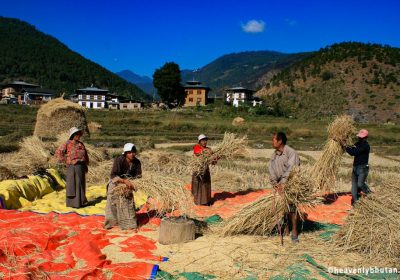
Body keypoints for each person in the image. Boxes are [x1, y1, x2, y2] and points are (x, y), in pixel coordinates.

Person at [268, 132, 300, 242]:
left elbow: (292, 169)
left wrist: (284, 183)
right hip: (278, 185)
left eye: (274, 139)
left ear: (280, 141)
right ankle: (286, 229)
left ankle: (294, 231)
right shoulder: (274, 154)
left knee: (292, 207)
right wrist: (275, 183)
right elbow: (271, 169)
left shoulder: (291, 153)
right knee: (282, 208)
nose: (272, 141)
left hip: (290, 184)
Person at [104, 143, 142, 230]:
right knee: (112, 203)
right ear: (125, 153)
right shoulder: (119, 160)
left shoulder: (137, 162)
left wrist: (133, 184)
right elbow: (113, 175)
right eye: (129, 152)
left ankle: (128, 224)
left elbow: (138, 176)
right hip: (116, 183)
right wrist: (124, 181)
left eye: (133, 152)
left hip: (128, 185)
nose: (131, 154)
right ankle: (111, 223)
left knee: (127, 204)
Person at [56, 127, 89, 208]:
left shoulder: (80, 144)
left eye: (79, 134)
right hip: (72, 167)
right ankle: (73, 203)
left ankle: (81, 202)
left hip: (81, 166)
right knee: (74, 184)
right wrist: (67, 160)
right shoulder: (67, 143)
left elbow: (86, 155)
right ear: (73, 135)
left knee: (81, 183)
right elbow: (58, 152)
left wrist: (86, 165)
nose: (78, 136)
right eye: (76, 134)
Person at [343, 129, 370, 205]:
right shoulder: (357, 143)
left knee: (360, 184)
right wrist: (345, 142)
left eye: (362, 137)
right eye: (359, 137)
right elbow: (352, 148)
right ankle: (355, 203)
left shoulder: (365, 146)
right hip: (355, 167)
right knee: (354, 187)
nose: (360, 138)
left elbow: (353, 152)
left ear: (366, 137)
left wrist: (345, 146)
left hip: (362, 168)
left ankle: (370, 193)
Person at [191, 134, 213, 206]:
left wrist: (215, 157)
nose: (204, 142)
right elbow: (198, 152)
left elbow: (212, 161)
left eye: (205, 140)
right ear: (199, 142)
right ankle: (197, 201)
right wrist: (207, 151)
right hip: (198, 170)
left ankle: (206, 201)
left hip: (205, 169)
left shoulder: (209, 149)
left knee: (206, 185)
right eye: (202, 141)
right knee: (198, 185)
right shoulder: (197, 147)